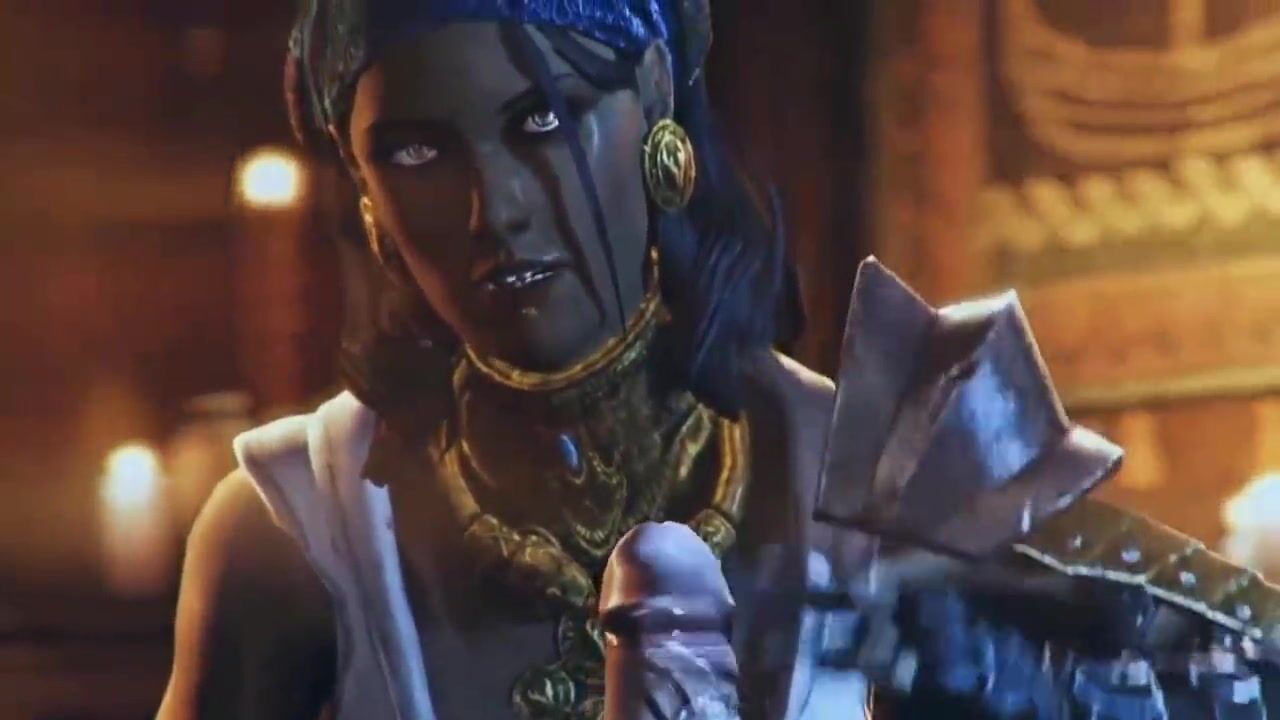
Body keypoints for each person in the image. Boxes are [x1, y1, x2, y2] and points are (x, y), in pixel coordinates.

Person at [157, 2, 1280, 719]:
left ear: (653, 99)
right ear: (363, 191)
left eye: (544, 121)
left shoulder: (896, 481)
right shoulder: (289, 536)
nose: (493, 208)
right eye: (414, 152)